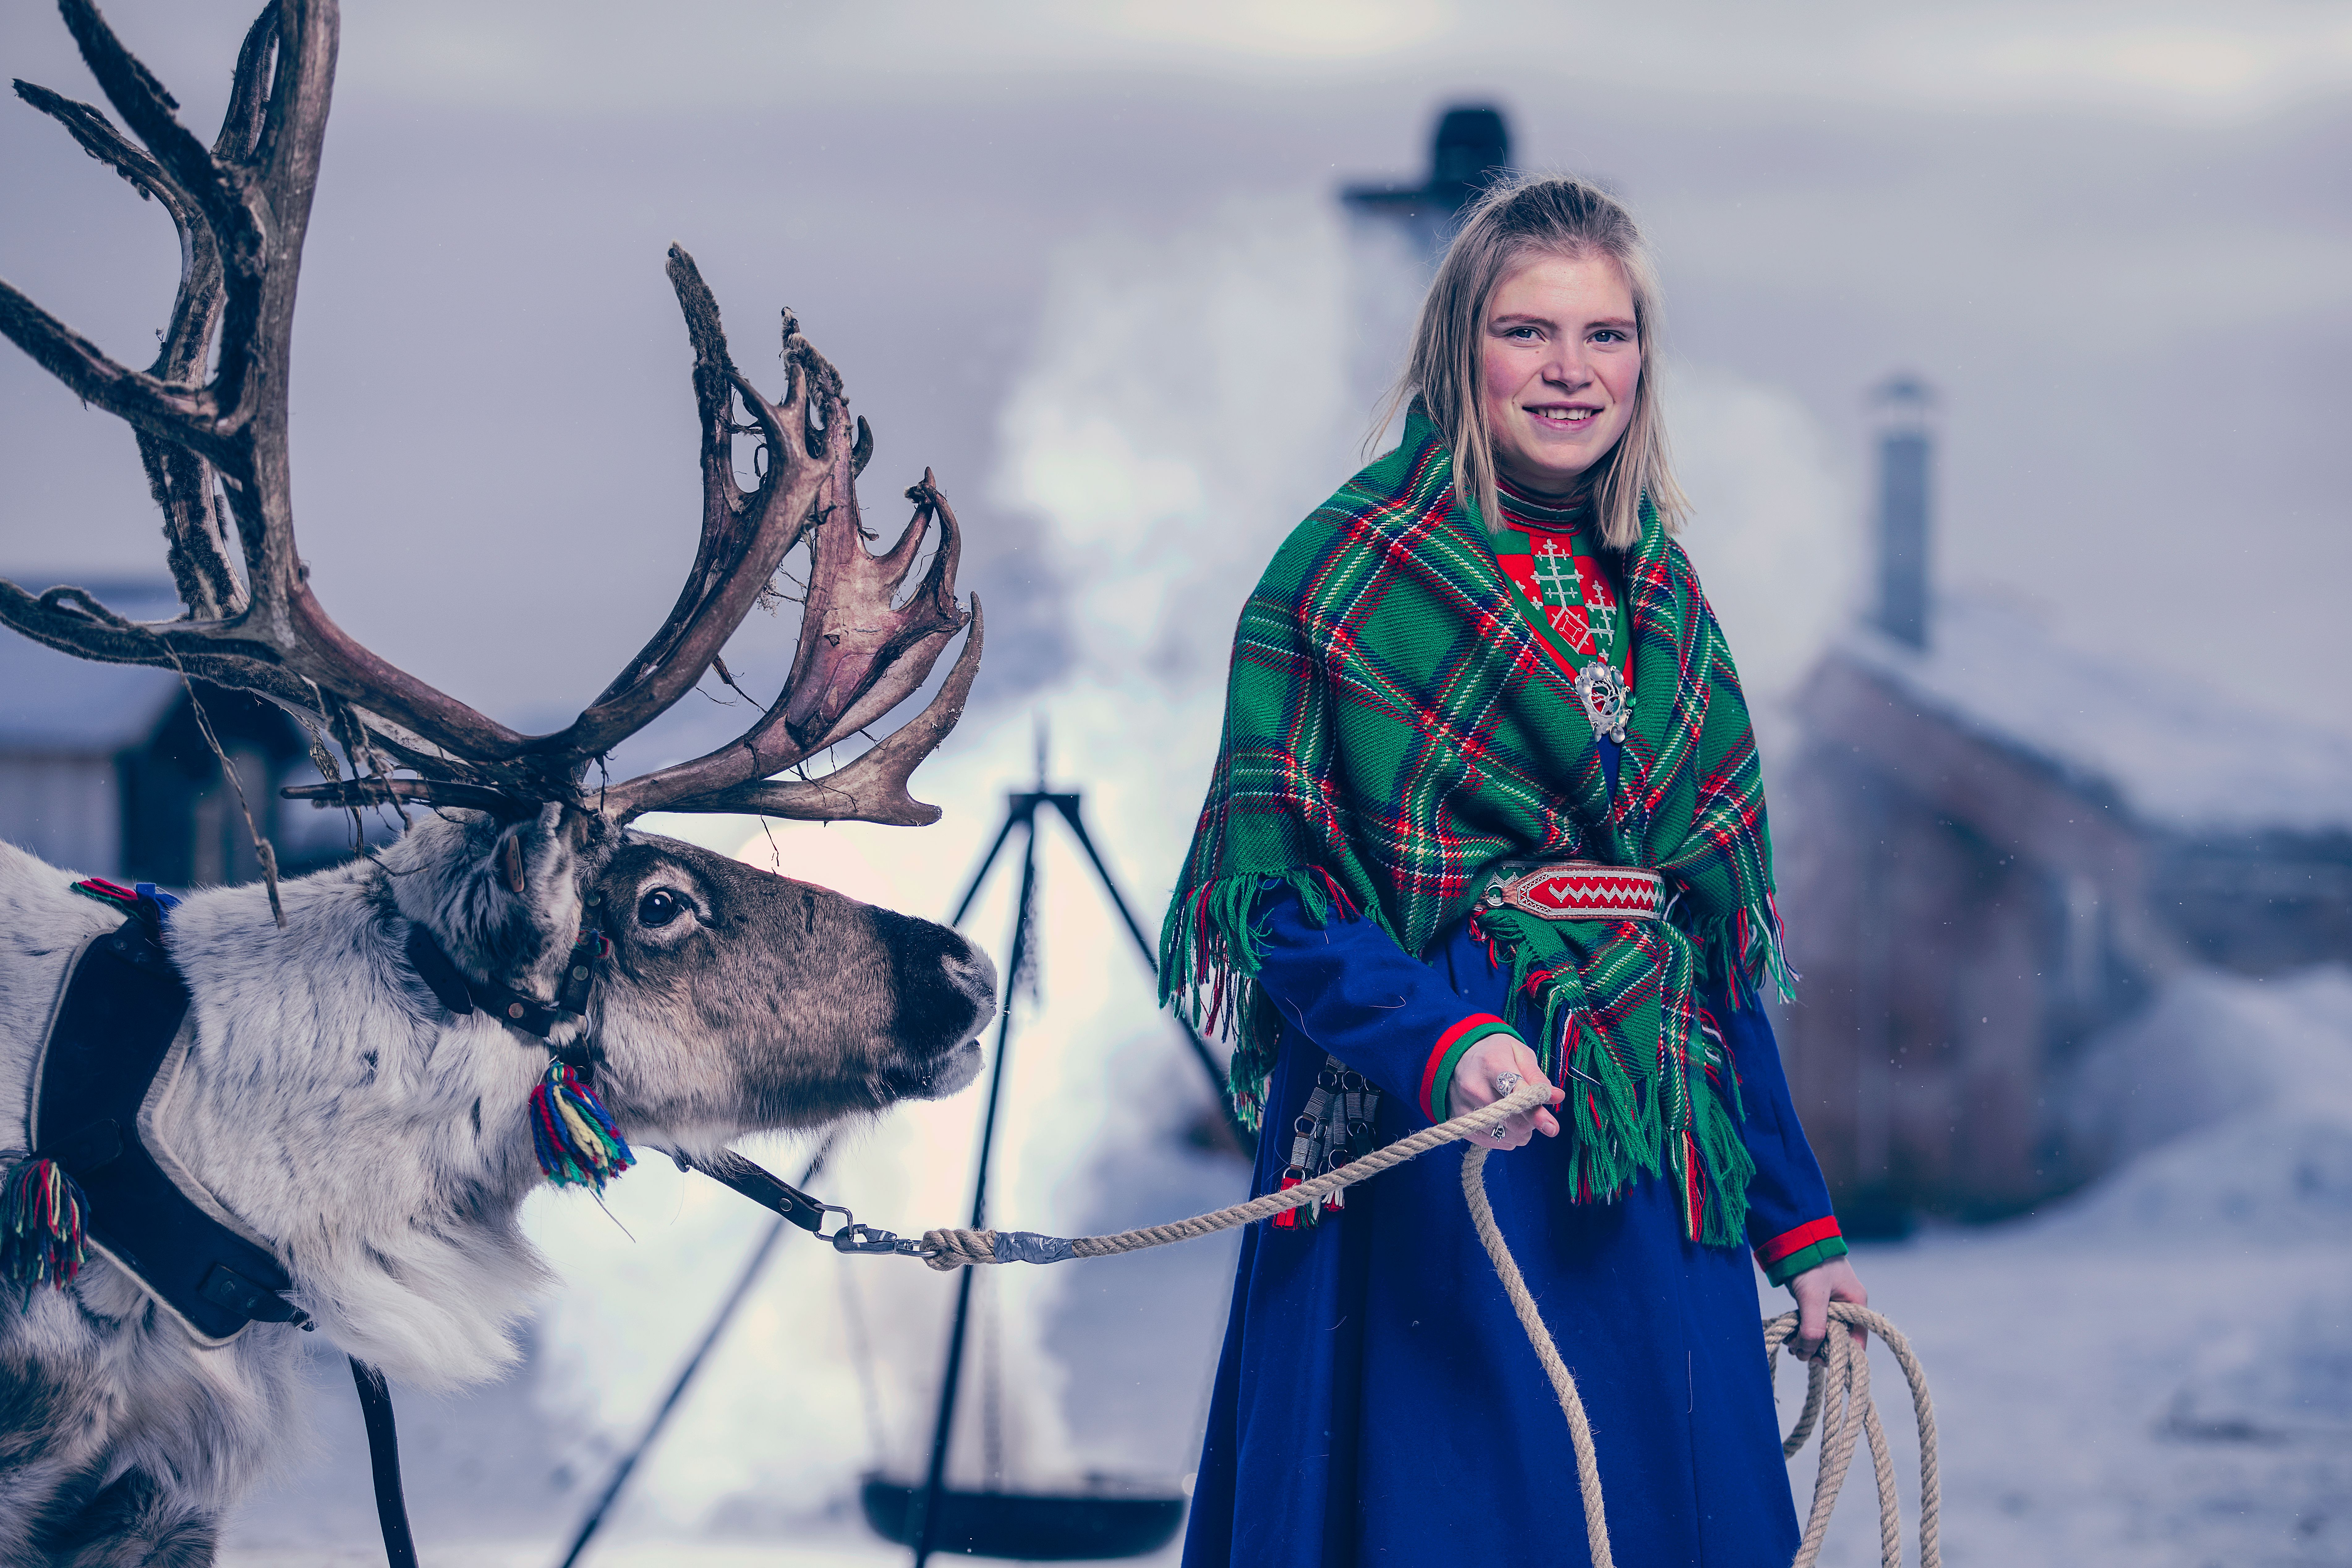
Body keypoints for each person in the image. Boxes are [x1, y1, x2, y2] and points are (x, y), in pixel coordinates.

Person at [1159, 175, 1867, 1568]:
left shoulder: (1671, 601)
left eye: (1606, 336)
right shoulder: (1342, 572)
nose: (1568, 370)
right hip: (1448, 1158)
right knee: (1475, 1516)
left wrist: (1800, 1223)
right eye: (1527, 330)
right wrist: (1446, 1040)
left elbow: (1711, 962)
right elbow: (1285, 906)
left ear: (1644, 363)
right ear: (1458, 349)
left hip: (1658, 1169)